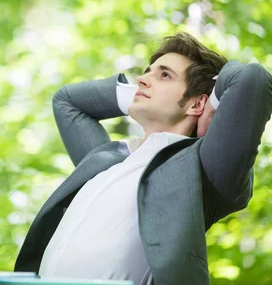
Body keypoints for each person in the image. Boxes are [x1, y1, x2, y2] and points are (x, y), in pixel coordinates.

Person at [14, 33, 272, 285]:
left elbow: (253, 79)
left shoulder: (202, 170)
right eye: (147, 72)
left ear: (196, 105)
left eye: (165, 75)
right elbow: (66, 101)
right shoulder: (108, 159)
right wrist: (142, 93)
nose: (142, 79)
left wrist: (212, 104)